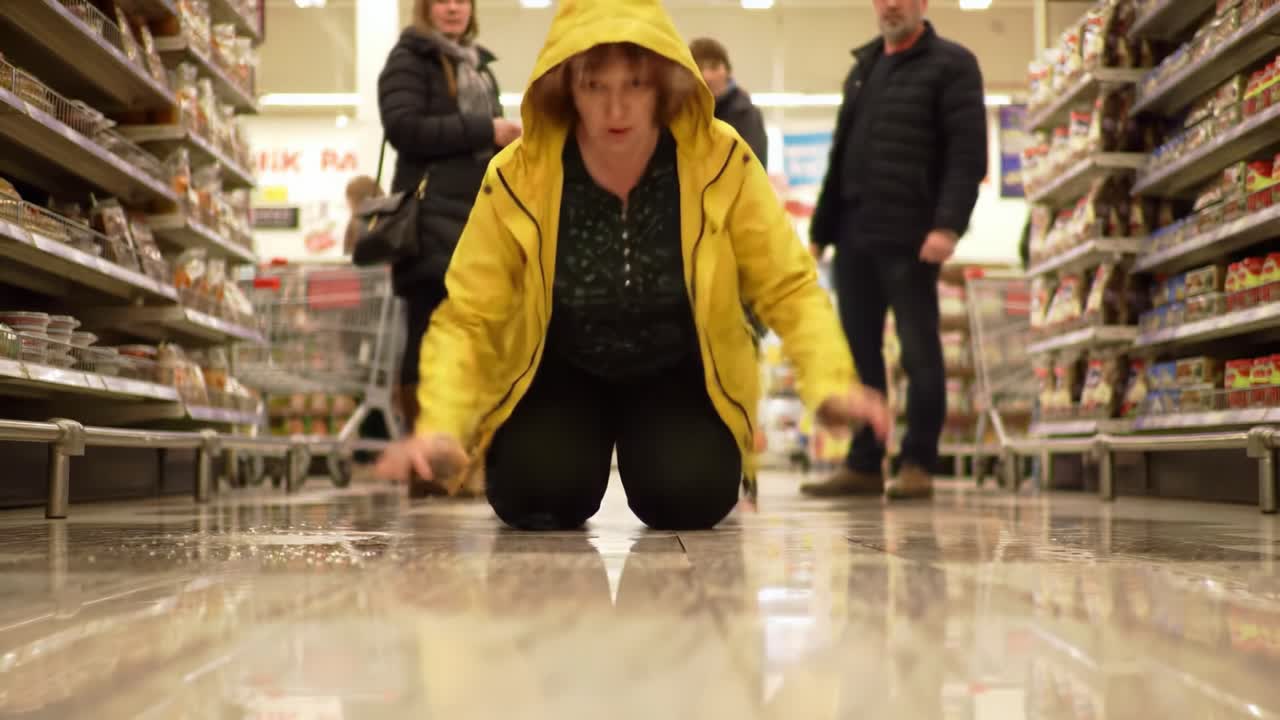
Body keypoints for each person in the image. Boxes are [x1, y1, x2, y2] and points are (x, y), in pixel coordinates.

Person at [375, 0, 890, 532]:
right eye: (595, 86)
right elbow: (471, 313)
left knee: (690, 499)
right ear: (565, 86)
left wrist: (828, 383)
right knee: (535, 496)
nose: (615, 109)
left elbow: (787, 283)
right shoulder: (518, 174)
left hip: (676, 365)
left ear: (666, 84)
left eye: (636, 85)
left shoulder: (721, 159)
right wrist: (443, 422)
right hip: (559, 365)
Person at [801, 0, 987, 500]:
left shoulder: (953, 64)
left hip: (911, 236)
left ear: (923, 3)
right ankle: (863, 464)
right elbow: (840, 158)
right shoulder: (863, 70)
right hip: (854, 237)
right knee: (857, 356)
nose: (891, 4)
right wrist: (820, 231)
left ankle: (918, 462)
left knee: (919, 349)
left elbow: (968, 154)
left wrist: (948, 224)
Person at [377, 0, 520, 497]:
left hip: (475, 218)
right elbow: (403, 126)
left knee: (475, 338)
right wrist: (486, 130)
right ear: (425, 8)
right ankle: (427, 465)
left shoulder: (478, 64)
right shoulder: (409, 59)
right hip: (428, 219)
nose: (455, 6)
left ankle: (460, 458)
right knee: (429, 330)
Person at [688, 37, 768, 167]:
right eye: (699, 68)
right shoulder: (679, 115)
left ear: (727, 71)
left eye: (714, 67)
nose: (707, 76)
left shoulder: (747, 116)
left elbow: (753, 168)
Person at [342, 174, 383, 256]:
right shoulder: (392, 215)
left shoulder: (356, 223)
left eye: (349, 200)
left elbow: (349, 257)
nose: (347, 204)